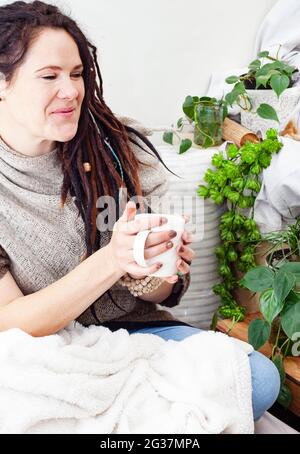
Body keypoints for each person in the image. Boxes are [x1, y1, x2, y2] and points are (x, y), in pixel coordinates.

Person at [0, 0, 279, 423]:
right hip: (43, 351)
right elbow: (10, 323)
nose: (71, 91)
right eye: (49, 76)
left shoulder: (113, 147)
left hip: (136, 335)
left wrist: (148, 270)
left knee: (257, 378)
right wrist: (111, 260)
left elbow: (159, 291)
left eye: (76, 74)